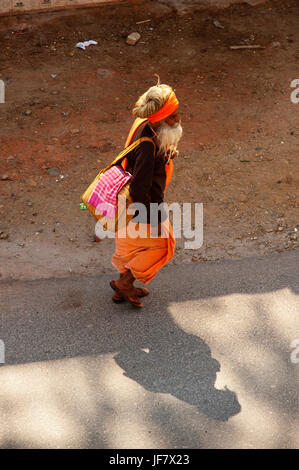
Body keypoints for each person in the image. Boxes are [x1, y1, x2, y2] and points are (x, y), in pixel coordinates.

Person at [110, 78, 183, 307]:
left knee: (132, 246)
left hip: (126, 205)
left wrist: (167, 154)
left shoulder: (144, 123)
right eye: (172, 116)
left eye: (177, 113)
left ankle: (123, 285)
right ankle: (126, 283)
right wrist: (151, 219)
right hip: (140, 206)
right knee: (162, 246)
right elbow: (141, 187)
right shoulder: (147, 146)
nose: (177, 119)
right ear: (159, 118)